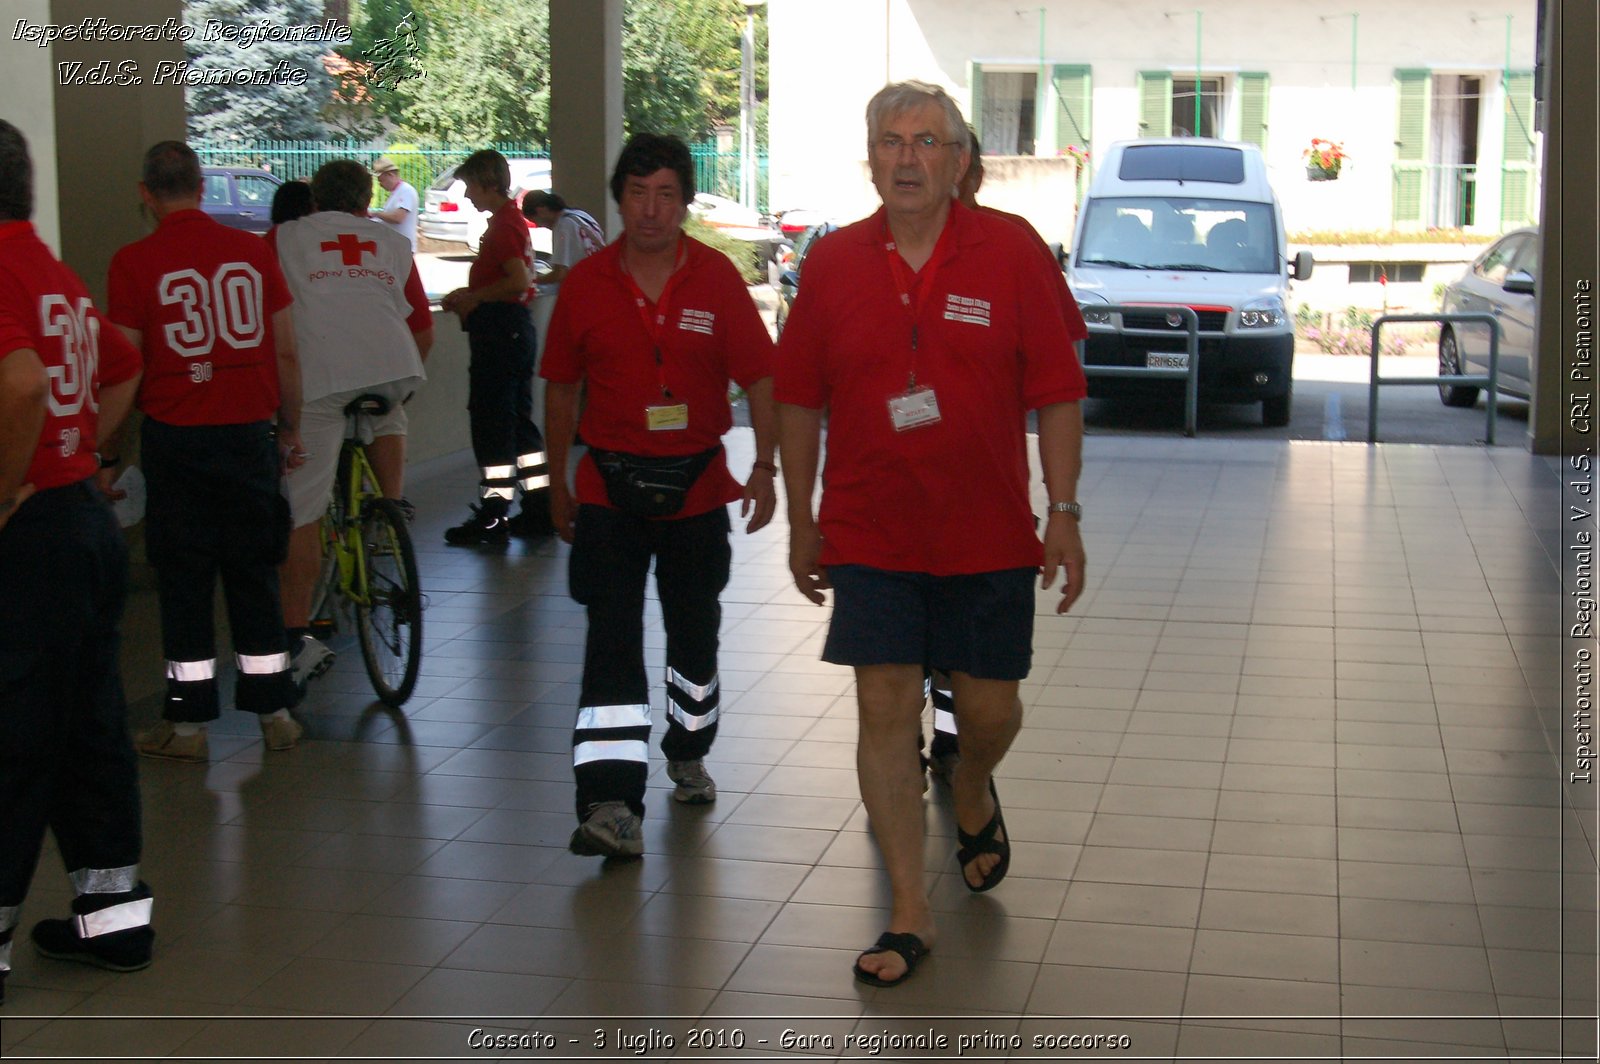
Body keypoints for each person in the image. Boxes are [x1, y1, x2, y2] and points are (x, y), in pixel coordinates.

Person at [773, 81, 1088, 987]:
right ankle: (910, 909)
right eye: (890, 140)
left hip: (987, 530)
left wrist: (1060, 511)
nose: (907, 157)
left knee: (989, 709)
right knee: (883, 707)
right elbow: (798, 397)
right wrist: (803, 517)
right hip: (872, 529)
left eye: (926, 141)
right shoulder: (831, 264)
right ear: (869, 156)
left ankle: (973, 781)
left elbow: (1058, 390)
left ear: (957, 161)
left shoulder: (1013, 252)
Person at [540, 132, 778, 859]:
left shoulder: (715, 278)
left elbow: (763, 378)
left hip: (699, 489)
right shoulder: (587, 284)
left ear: (683, 202)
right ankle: (610, 800)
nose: (651, 210)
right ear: (619, 200)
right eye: (638, 194)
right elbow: (560, 389)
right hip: (608, 489)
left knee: (693, 633)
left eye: (666, 194)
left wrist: (765, 467)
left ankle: (688, 744)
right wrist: (557, 481)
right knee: (610, 640)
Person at [0, 119, 153, 1003]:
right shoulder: (52, 274)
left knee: (13, 740)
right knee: (92, 732)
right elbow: (125, 364)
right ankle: (113, 922)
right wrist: (81, 455)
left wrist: (10, 478)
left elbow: (18, 383)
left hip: (29, 543)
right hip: (81, 530)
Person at [105, 140, 306, 761]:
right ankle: (275, 713)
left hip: (178, 443)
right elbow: (287, 352)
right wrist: (289, 428)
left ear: (145, 193)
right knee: (254, 574)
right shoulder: (251, 253)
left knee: (186, 580)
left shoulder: (133, 263)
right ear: (199, 185)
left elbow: (126, 368)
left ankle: (189, 727)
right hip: (248, 437)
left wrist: (103, 452)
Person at [269, 160, 433, 688]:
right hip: (392, 366)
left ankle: (294, 638)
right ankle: (389, 512)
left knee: (303, 511)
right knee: (390, 411)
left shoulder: (285, 237)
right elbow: (421, 327)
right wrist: (404, 380)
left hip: (322, 378)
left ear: (315, 198)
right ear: (368, 201)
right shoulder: (391, 242)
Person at [440, 150, 553, 543]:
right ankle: (539, 506)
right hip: (515, 331)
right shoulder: (510, 222)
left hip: (501, 333)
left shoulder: (504, 228)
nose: (467, 194)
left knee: (492, 424)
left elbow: (518, 281)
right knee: (518, 422)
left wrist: (474, 298)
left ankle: (494, 511)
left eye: (470, 185)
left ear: (488, 183)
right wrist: (472, 293)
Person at [522, 189, 604, 460]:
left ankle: (581, 426)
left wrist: (531, 280)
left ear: (543, 210)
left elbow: (561, 272)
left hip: (587, 301)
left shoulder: (564, 226)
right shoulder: (582, 216)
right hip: (602, 297)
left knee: (576, 370)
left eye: (537, 219)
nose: (540, 225)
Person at [367, 156, 419, 251]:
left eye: (381, 180)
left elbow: (397, 218)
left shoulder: (406, 191)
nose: (380, 185)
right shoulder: (397, 192)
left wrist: (376, 214)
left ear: (390, 175)